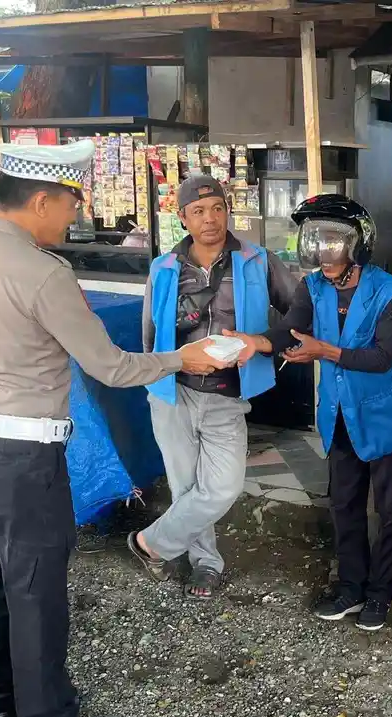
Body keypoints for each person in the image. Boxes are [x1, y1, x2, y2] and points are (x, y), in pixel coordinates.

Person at [0, 140, 232, 717]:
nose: (73, 214)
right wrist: (187, 358)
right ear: (41, 199)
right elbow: (110, 366)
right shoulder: (42, 273)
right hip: (24, 457)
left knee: (3, 575)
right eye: (70, 202)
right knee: (37, 591)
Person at [226, 195, 392, 631]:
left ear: (357, 244)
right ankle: (350, 586)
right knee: (344, 505)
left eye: (333, 243)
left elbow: (382, 357)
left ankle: (380, 593)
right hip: (339, 415)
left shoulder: (391, 290)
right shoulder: (313, 287)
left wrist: (324, 351)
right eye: (315, 243)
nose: (323, 255)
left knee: (389, 510)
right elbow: (290, 327)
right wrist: (257, 342)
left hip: (383, 417)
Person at [129, 175, 296, 599]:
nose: (210, 219)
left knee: (221, 486)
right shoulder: (164, 268)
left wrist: (263, 343)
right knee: (186, 485)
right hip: (175, 391)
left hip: (227, 394)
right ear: (183, 218)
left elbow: (296, 312)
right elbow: (149, 333)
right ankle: (206, 564)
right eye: (199, 211)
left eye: (218, 208)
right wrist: (156, 383)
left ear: (228, 211)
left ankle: (150, 543)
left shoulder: (258, 260)